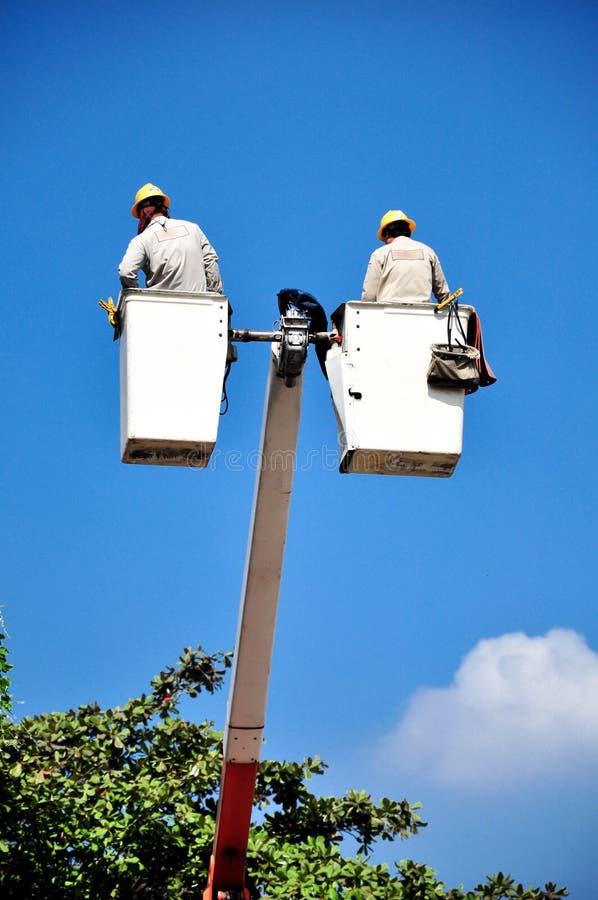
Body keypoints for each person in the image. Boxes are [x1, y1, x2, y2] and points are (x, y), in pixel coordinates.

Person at [118, 183, 223, 294]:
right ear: (164, 207)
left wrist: (137, 297)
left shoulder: (142, 240)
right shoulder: (193, 228)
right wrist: (215, 294)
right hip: (198, 305)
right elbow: (210, 260)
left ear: (143, 211)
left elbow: (126, 272)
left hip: (161, 307)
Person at [361, 210, 450, 304]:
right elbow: (444, 294)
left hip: (388, 314)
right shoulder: (428, 252)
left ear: (387, 234)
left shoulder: (380, 254)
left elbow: (369, 296)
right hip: (423, 315)